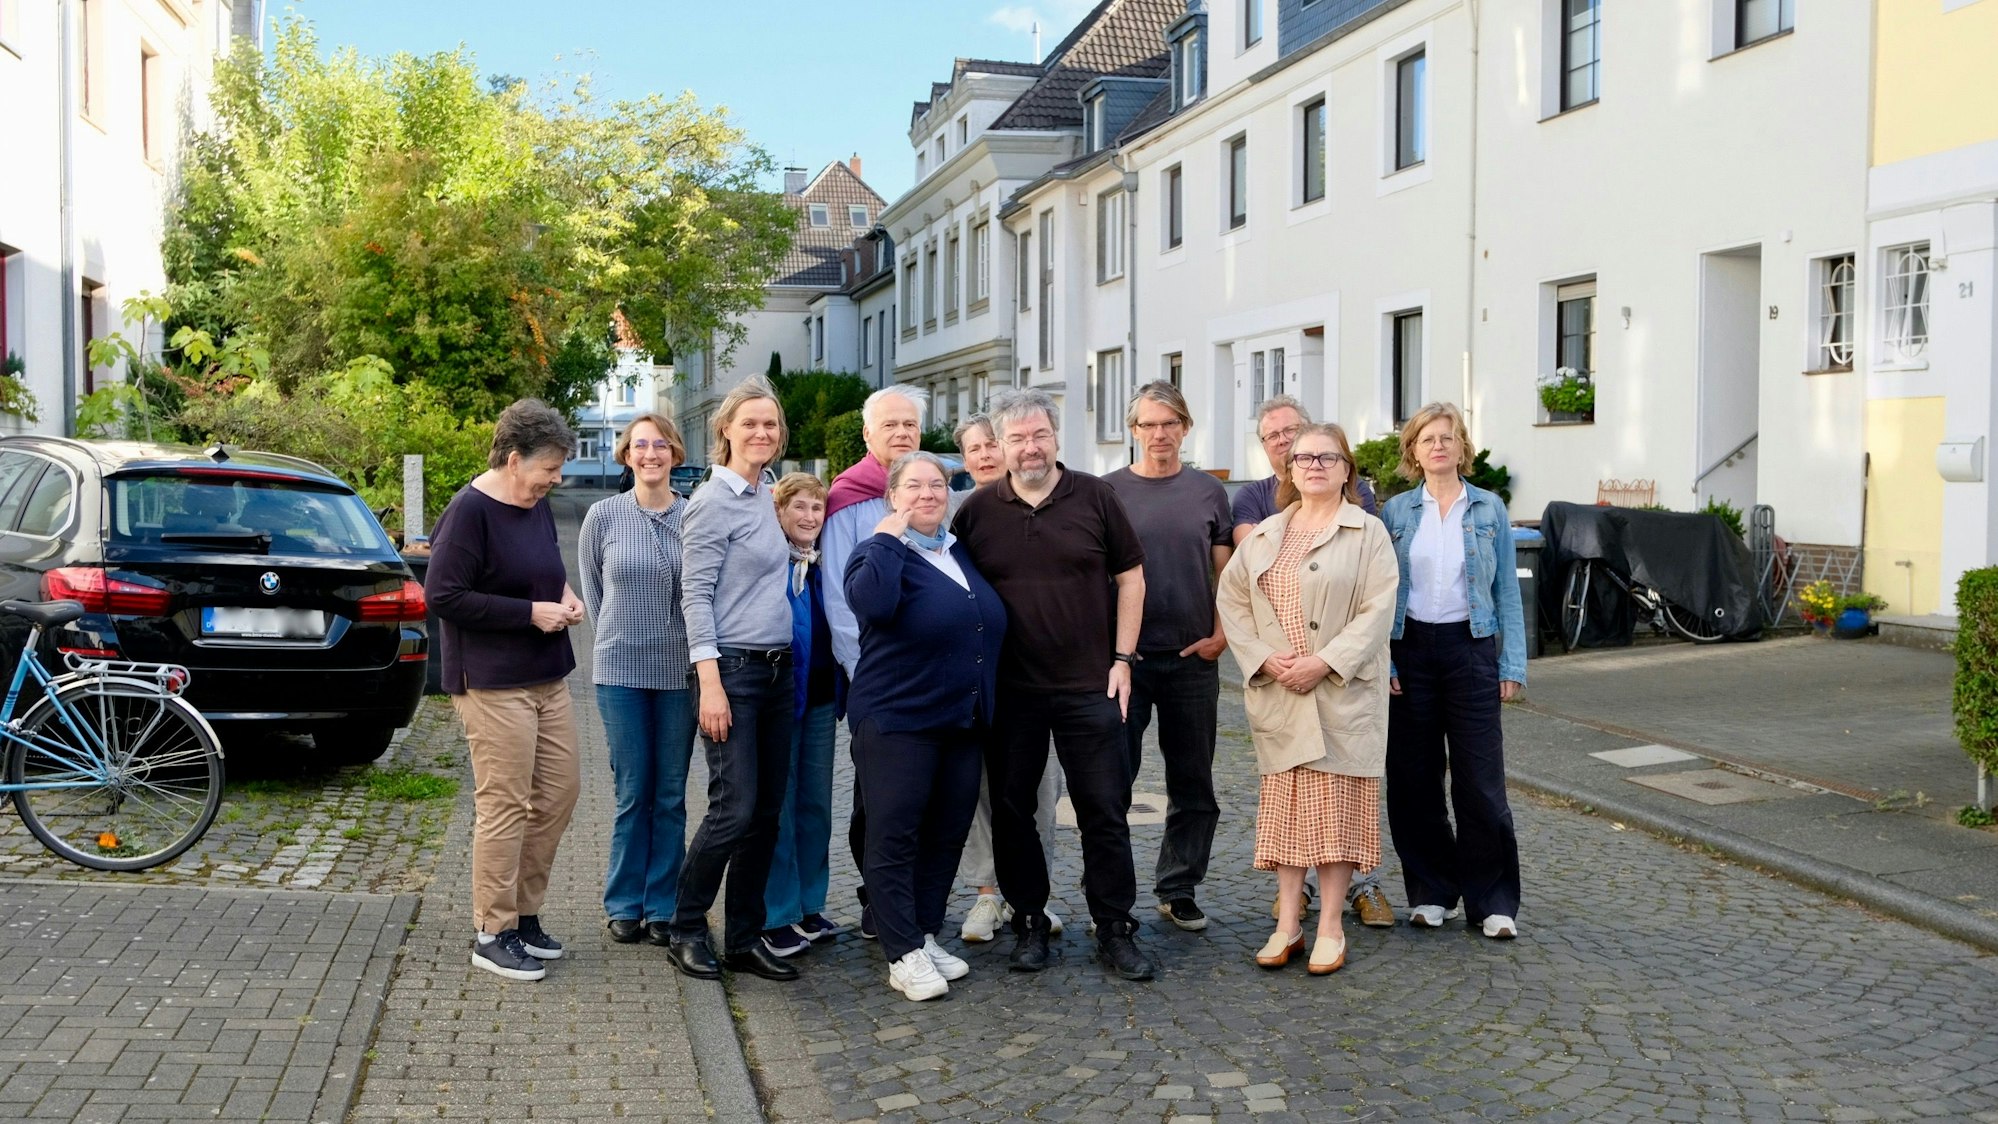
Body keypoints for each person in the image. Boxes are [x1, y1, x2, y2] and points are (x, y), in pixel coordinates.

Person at [953, 387, 1155, 982]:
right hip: (1011, 690)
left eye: (1039, 434)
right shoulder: (978, 511)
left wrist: (1123, 659)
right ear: (1000, 446)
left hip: (1090, 683)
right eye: (1016, 438)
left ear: (1056, 437)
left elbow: (1133, 579)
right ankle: (1030, 921)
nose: (1029, 447)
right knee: (1014, 811)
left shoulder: (1096, 496)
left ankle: (1115, 926)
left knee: (1103, 808)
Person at [1218, 423, 1397, 975]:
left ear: (1347, 469)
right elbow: (1234, 601)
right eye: (1303, 457)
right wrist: (1266, 661)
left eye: (1327, 456)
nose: (1314, 465)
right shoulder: (1267, 534)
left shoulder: (1368, 532)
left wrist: (1325, 662)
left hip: (1339, 693)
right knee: (1289, 815)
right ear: (1289, 470)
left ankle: (1331, 928)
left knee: (1339, 814)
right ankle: (1287, 924)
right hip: (1282, 693)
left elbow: (1378, 610)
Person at [426, 399, 584, 983]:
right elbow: (441, 595)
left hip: (546, 675)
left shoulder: (533, 503)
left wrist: (564, 596)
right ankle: (492, 932)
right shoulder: (470, 511)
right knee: (505, 804)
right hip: (491, 681)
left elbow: (543, 568)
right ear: (514, 459)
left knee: (559, 795)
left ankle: (524, 915)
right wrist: (529, 614)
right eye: (549, 467)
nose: (556, 479)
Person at [844, 451, 1008, 1000]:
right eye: (912, 486)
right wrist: (890, 539)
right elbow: (873, 605)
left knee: (945, 836)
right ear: (892, 496)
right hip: (897, 721)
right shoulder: (875, 554)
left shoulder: (958, 554)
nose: (927, 494)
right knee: (895, 838)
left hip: (961, 723)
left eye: (936, 485)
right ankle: (901, 952)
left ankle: (924, 934)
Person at [1380, 402, 1528, 940]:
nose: (1438, 446)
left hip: (1471, 648)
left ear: (1462, 447)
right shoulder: (1394, 513)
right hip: (1411, 649)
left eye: (1447, 437)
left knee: (1481, 782)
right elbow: (1378, 596)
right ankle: (1431, 891)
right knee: (1413, 779)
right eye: (1427, 439)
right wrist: (1388, 660)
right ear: (1413, 453)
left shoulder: (1489, 509)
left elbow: (1507, 590)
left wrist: (1512, 662)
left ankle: (1493, 902)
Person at [670, 378, 801, 983]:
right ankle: (687, 927)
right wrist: (711, 682)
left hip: (779, 670)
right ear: (725, 429)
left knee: (766, 812)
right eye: (750, 423)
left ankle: (745, 937)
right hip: (733, 673)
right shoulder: (711, 502)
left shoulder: (767, 493)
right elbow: (693, 595)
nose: (762, 434)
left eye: (771, 425)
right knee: (733, 806)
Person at [1103, 382, 1232, 933]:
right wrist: (1110, 655)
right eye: (1148, 424)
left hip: (1191, 659)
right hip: (1124, 662)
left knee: (1193, 783)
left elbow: (1229, 575)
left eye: (1170, 423)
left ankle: (1178, 886)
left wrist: (1221, 636)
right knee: (1112, 780)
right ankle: (1107, 891)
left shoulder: (1208, 492)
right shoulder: (1106, 492)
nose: (1159, 434)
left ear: (1185, 427)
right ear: (1133, 431)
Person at [578, 413, 697, 949]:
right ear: (627, 455)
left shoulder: (694, 518)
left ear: (675, 453)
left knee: (670, 792)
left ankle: (663, 903)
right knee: (633, 791)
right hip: (620, 672)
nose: (650, 454)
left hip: (679, 672)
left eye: (660, 445)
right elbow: (595, 597)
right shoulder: (601, 517)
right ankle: (624, 902)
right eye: (640, 445)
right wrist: (621, 642)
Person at [949, 413, 1066, 943]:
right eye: (975, 448)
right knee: (979, 789)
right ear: (967, 459)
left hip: (1040, 677)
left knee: (1040, 790)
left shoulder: (1052, 503)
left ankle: (1031, 893)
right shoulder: (959, 516)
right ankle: (986, 896)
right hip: (979, 678)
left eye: (995, 443)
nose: (987, 454)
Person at [819, 384, 928, 936]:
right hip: (876, 673)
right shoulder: (850, 498)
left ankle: (911, 901)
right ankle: (875, 899)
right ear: (867, 435)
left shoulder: (930, 491)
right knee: (877, 795)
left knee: (920, 793)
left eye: (910, 425)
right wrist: (862, 670)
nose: (903, 434)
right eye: (891, 426)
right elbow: (838, 596)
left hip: (928, 673)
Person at [762, 472, 842, 958]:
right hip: (777, 697)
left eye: (817, 508)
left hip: (820, 698)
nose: (810, 517)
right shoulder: (770, 562)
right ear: (779, 512)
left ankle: (811, 905)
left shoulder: (822, 566)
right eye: (800, 507)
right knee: (780, 806)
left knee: (816, 805)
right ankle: (779, 913)